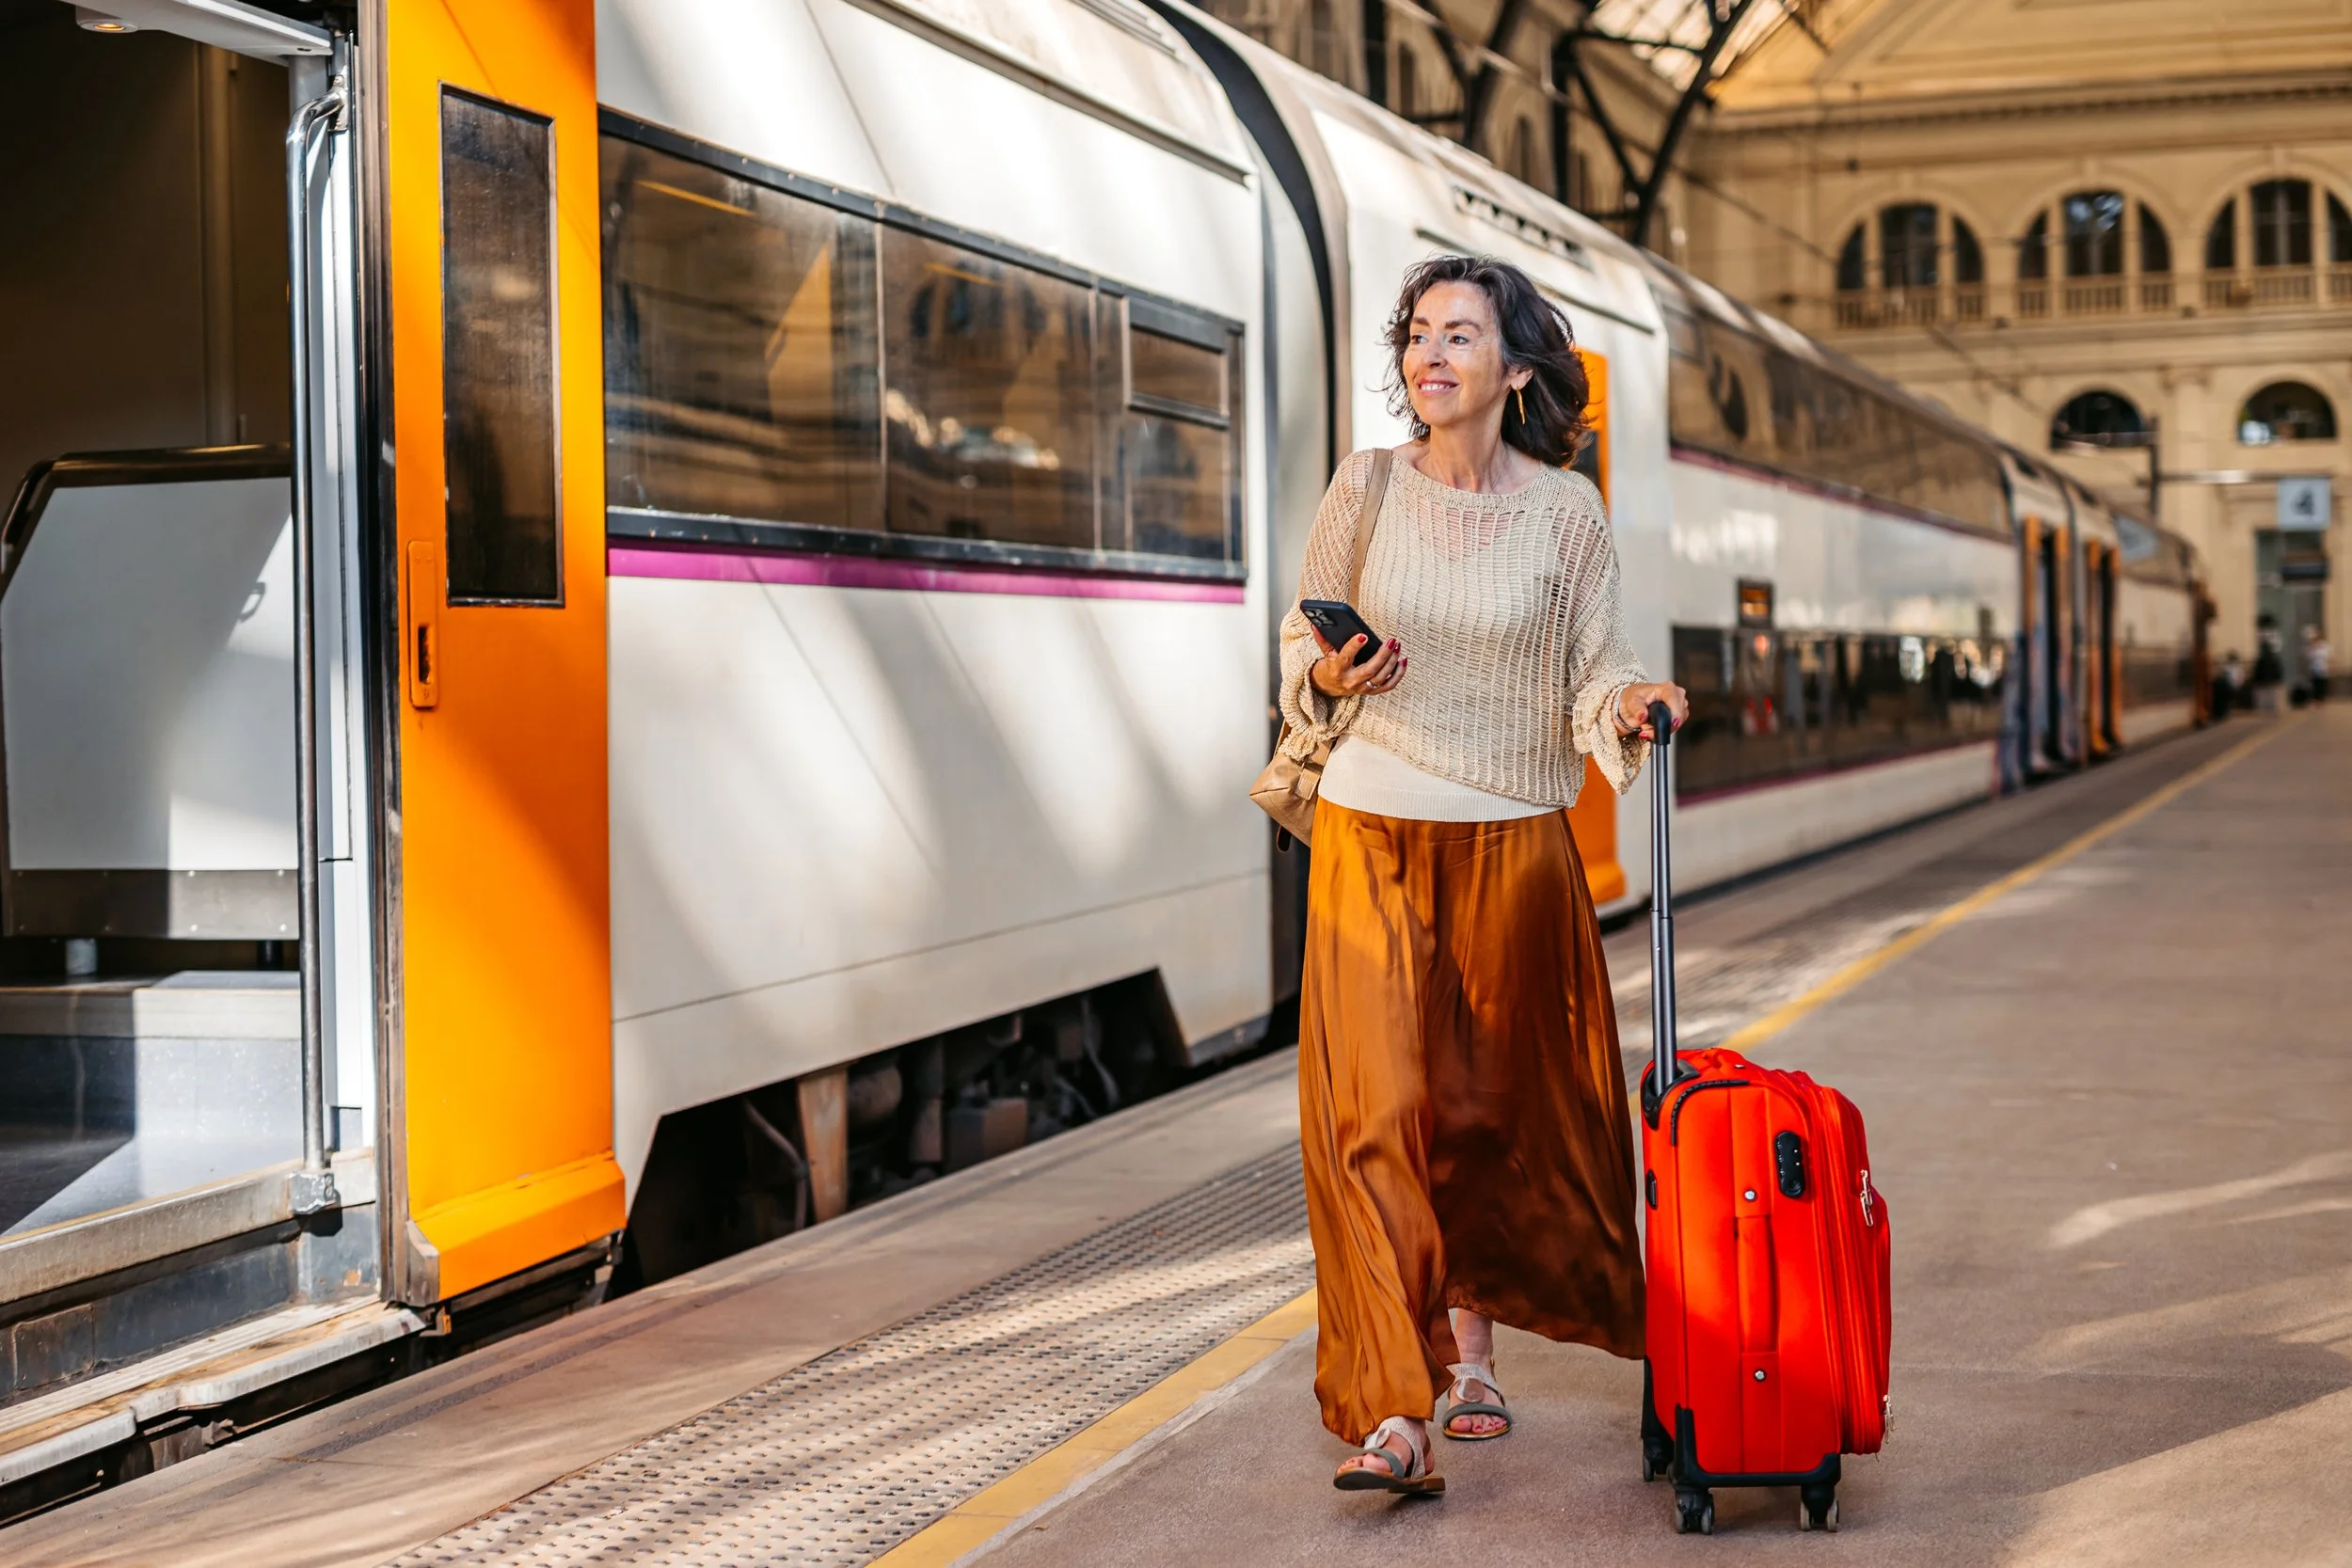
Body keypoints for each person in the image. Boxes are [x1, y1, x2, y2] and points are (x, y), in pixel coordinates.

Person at [1275, 254, 1689, 1495]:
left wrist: (1636, 700)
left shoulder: (1566, 510)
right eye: (1417, 333)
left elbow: (1595, 669)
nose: (1431, 352)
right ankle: (1391, 1406)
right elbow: (1304, 634)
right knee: (1373, 1116)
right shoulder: (1366, 485)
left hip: (1513, 840)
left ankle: (1475, 1352)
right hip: (1370, 829)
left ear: (1514, 368)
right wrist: (1334, 672)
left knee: (1498, 1113)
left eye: (1462, 333)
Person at [2305, 626, 2331, 705]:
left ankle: (2321, 699)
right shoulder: (2311, 647)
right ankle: (2315, 699)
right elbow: (2309, 656)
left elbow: (2327, 655)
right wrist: (2313, 648)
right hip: (2314, 668)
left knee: (2322, 684)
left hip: (2322, 668)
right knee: (2315, 683)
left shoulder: (2324, 646)